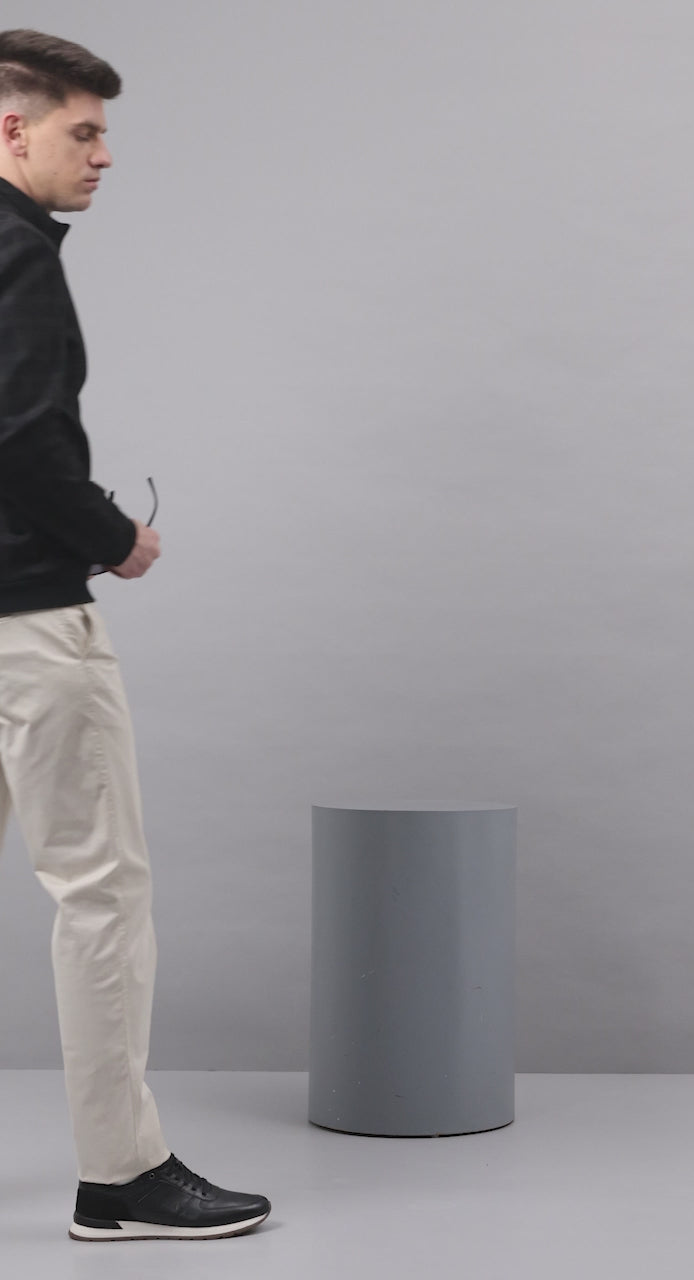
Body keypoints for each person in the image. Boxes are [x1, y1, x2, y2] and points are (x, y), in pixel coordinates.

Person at [0, 28, 271, 1241]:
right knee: (100, 894)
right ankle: (121, 1177)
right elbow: (21, 439)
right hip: (28, 626)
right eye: (85, 131)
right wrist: (116, 537)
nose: (104, 155)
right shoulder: (16, 253)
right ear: (12, 129)